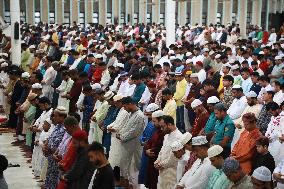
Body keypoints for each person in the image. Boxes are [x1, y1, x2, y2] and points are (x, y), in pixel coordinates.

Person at [117, 97, 145, 187]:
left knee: (133, 168)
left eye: (124, 107)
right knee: (125, 166)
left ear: (130, 104)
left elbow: (134, 132)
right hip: (127, 145)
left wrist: (122, 137)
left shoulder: (140, 116)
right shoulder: (131, 113)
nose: (124, 109)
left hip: (134, 146)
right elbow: (127, 127)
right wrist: (120, 133)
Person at [155, 115, 183, 189]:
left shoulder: (179, 137)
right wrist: (157, 161)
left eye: (163, 126)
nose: (161, 129)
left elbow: (174, 157)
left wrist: (162, 164)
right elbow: (162, 150)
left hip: (172, 171)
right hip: (162, 170)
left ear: (170, 124)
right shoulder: (166, 135)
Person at [144, 110, 165, 189]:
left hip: (158, 163)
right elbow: (148, 143)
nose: (153, 123)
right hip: (151, 162)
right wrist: (146, 151)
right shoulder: (156, 131)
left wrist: (150, 151)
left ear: (161, 121)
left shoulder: (164, 133)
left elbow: (160, 148)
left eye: (154, 121)